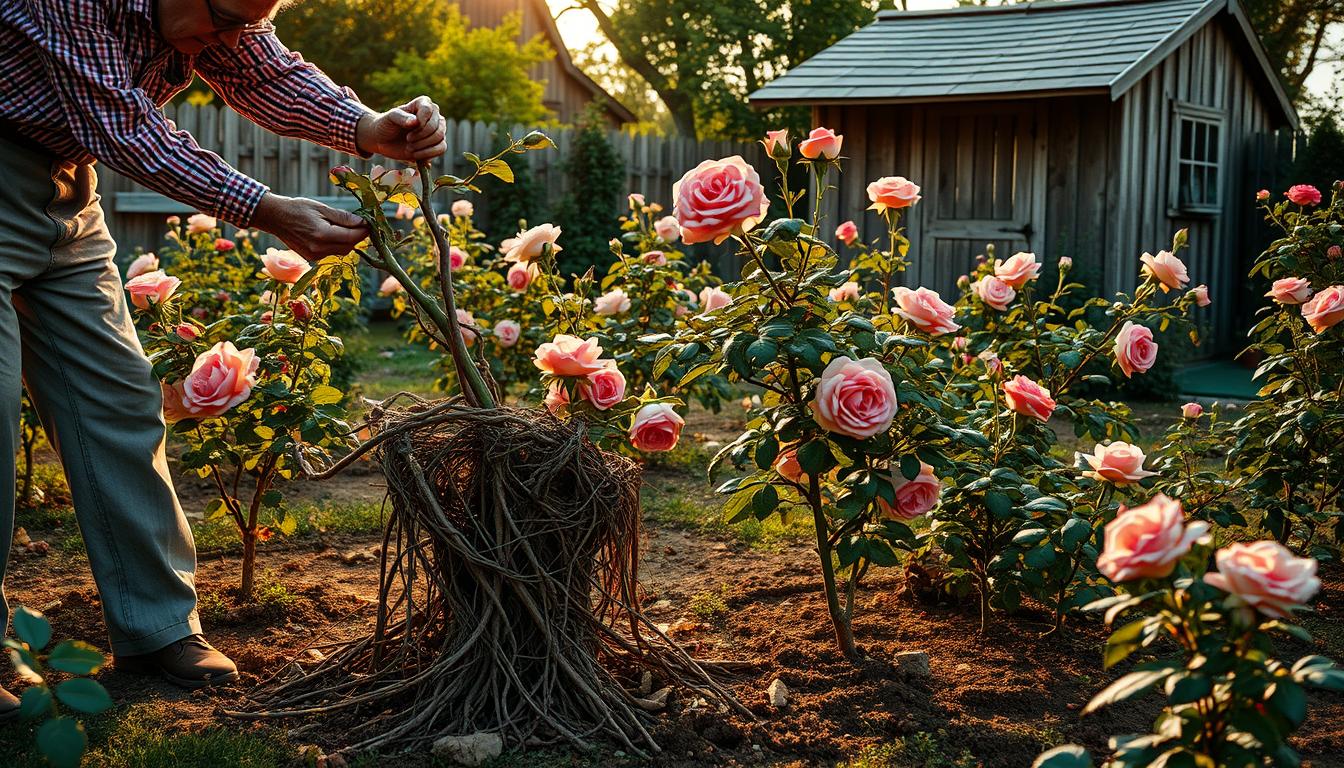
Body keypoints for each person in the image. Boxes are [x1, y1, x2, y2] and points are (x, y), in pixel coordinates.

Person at [0, 0, 448, 716]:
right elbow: (124, 128)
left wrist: (368, 126)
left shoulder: (220, 14)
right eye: (227, 17)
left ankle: (156, 629)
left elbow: (264, 73)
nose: (235, 38)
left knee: (117, 400)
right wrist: (269, 209)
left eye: (251, 20)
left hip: (67, 193)